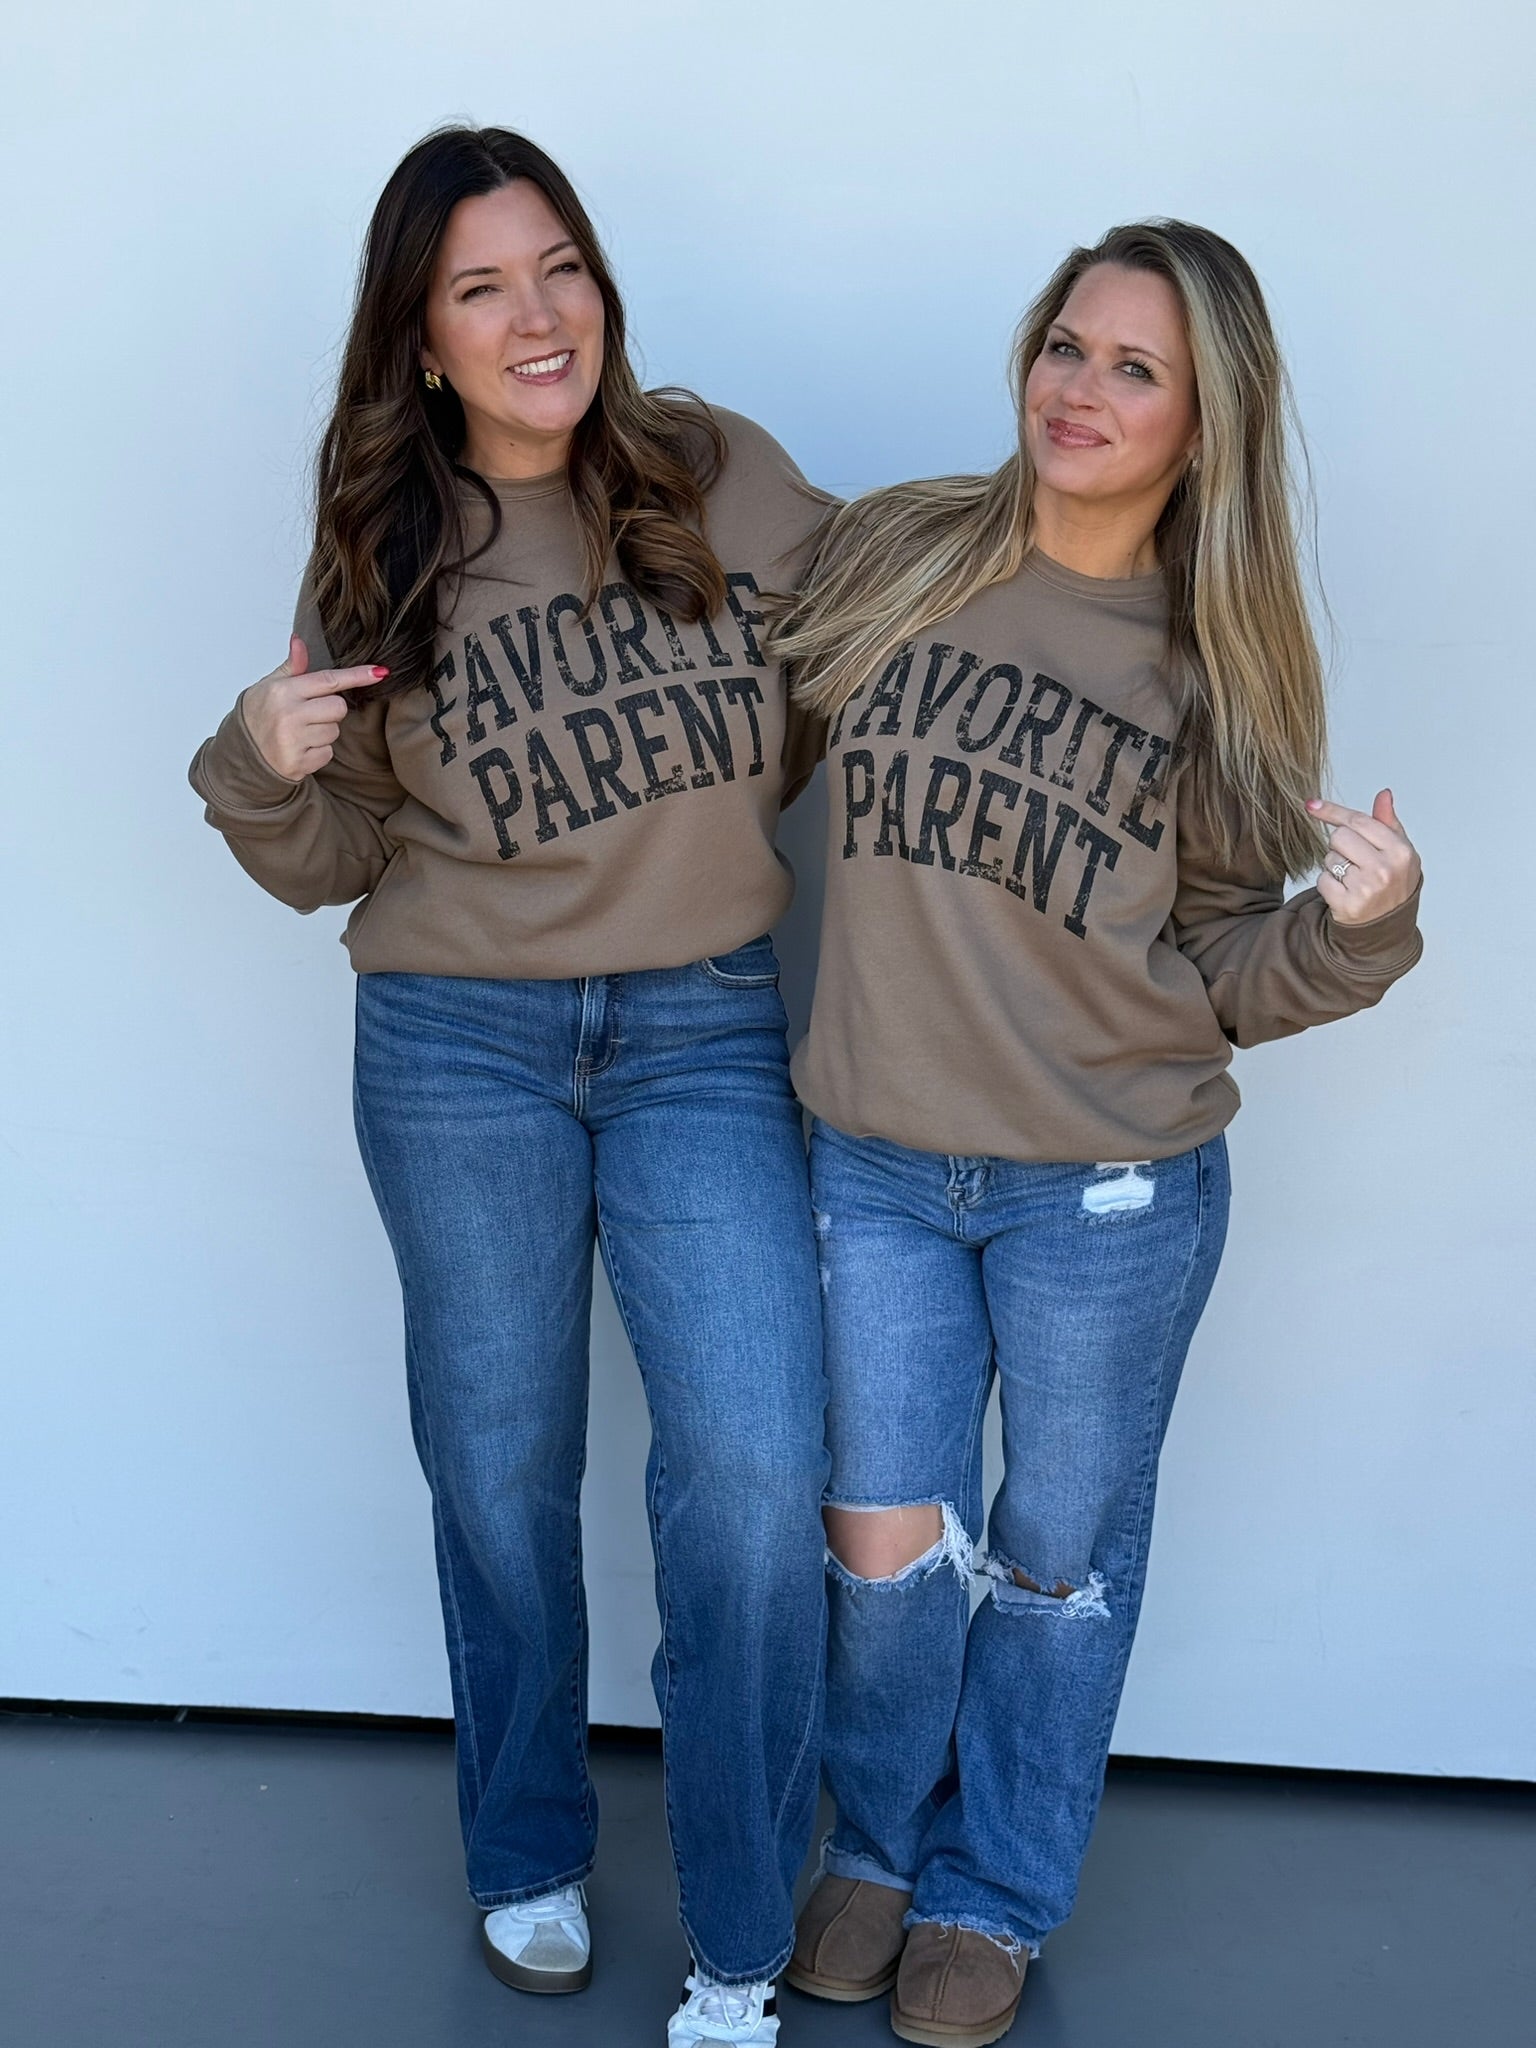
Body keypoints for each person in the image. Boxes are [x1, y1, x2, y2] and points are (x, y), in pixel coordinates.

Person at [189, 126, 832, 2048]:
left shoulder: (719, 471)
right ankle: (527, 1843)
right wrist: (255, 763)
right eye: (480, 287)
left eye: (559, 266)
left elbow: (862, 660)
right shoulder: (383, 548)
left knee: (752, 1475)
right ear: (423, 335)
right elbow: (338, 858)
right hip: (457, 1042)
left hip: (706, 1025)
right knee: (498, 1465)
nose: (537, 315)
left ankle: (744, 1917)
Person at [774, 221, 1423, 2048]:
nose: (1081, 389)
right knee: (883, 1555)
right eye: (1068, 344)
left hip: (1109, 1192)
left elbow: (1214, 960)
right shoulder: (902, 551)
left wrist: (1358, 935)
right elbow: (729, 693)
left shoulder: (1220, 663)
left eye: (1138, 369)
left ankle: (993, 1891)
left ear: (1207, 422)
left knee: (1057, 1566)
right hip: (876, 1165)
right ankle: (877, 1848)